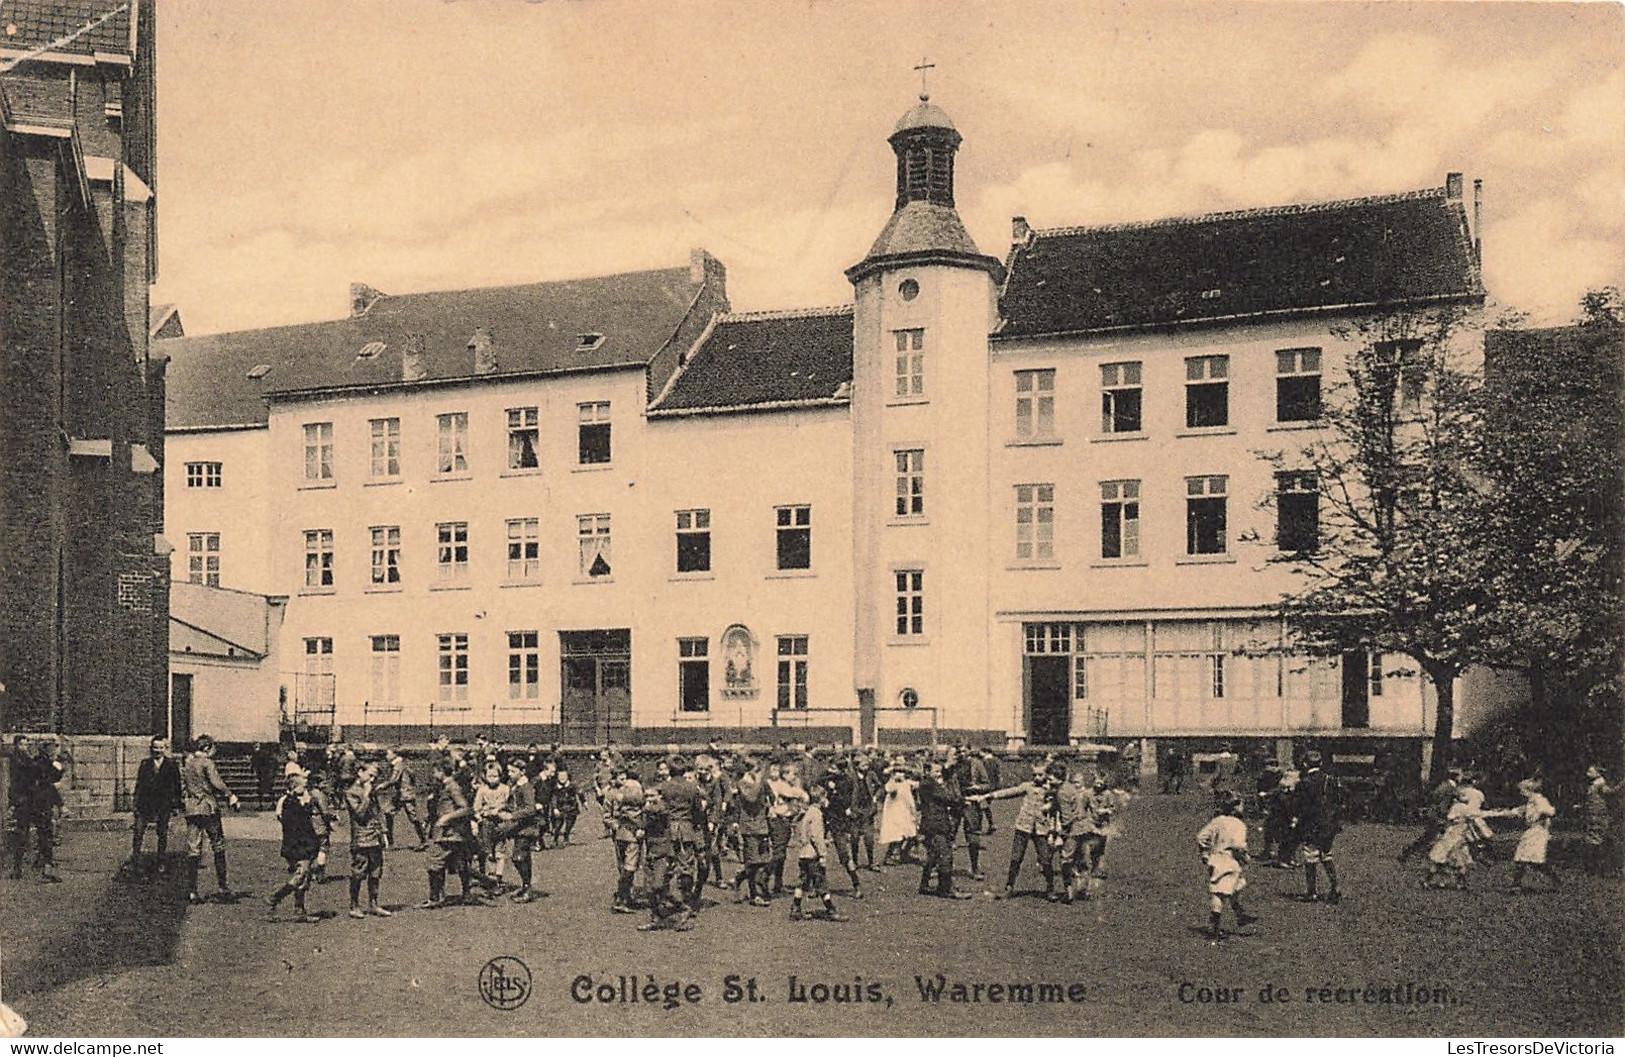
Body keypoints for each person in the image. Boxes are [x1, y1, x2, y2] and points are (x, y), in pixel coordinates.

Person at [983, 761, 1064, 900]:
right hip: (1023, 826)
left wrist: (1054, 830)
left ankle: (1050, 888)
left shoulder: (1052, 790)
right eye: (1034, 774)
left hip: (1041, 829)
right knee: (1016, 858)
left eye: (1040, 774)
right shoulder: (1027, 787)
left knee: (1045, 860)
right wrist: (992, 795)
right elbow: (1011, 791)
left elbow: (1058, 810)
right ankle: (1009, 887)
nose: (1037, 777)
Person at [180, 734, 240, 904]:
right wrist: (230, 795)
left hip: (192, 809)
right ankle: (222, 887)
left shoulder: (188, 763)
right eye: (213, 748)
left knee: (194, 849)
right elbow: (216, 782)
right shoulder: (207, 762)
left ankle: (192, 891)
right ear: (207, 748)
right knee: (218, 845)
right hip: (208, 807)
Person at [1195, 793, 1259, 940]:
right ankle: (1217, 923)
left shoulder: (1217, 821)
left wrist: (1206, 851)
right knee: (1227, 890)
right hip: (1231, 860)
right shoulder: (1239, 824)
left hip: (1216, 859)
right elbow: (1238, 845)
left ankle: (1239, 915)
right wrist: (1245, 856)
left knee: (1224, 889)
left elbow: (1201, 837)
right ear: (1235, 807)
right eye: (1241, 805)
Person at [420, 757, 480, 909]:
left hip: (448, 833)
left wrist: (447, 817)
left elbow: (466, 808)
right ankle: (467, 893)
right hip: (450, 832)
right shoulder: (443, 786)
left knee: (434, 862)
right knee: (460, 863)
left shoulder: (452, 786)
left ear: (441, 772)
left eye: (435, 772)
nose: (433, 775)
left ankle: (435, 897)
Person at [266, 770, 324, 923]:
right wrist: (306, 807)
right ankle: (275, 897)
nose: (305, 789)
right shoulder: (290, 803)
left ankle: (300, 910)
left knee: (305, 878)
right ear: (294, 788)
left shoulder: (295, 802)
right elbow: (296, 826)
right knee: (301, 875)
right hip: (297, 846)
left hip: (301, 845)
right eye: (302, 787)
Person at [789, 783, 849, 922]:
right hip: (813, 855)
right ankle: (831, 910)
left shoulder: (807, 813)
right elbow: (816, 837)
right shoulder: (816, 814)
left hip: (803, 853)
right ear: (821, 799)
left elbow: (804, 835)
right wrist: (822, 854)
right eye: (825, 797)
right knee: (821, 882)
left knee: (803, 882)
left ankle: (795, 908)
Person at [916, 751, 971, 899]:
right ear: (927, 771)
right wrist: (962, 800)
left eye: (939, 772)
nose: (938, 775)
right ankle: (946, 889)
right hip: (936, 825)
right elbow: (947, 798)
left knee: (933, 856)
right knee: (945, 856)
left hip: (933, 824)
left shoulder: (928, 783)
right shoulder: (928, 784)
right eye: (935, 772)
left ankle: (924, 885)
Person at [7, 735, 61, 883]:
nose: (25, 747)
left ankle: (22, 868)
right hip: (34, 803)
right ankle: (42, 869)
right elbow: (53, 778)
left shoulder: (32, 762)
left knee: (27, 834)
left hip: (29, 802)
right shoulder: (30, 762)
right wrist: (56, 764)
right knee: (41, 834)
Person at [1291, 750, 1342, 904]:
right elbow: (1338, 800)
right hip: (1329, 823)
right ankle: (1335, 887)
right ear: (1320, 763)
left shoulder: (1303, 783)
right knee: (1326, 853)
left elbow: (1300, 806)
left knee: (1310, 855)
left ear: (1305, 764)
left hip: (1311, 823)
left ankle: (1312, 891)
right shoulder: (1330, 779)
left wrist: (1296, 821)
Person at [343, 762, 392, 919]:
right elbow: (359, 814)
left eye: (374, 777)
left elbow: (378, 812)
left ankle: (374, 904)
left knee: (376, 872)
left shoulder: (372, 792)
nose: (372, 779)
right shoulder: (351, 792)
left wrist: (384, 833)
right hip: (361, 838)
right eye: (370, 775)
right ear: (359, 772)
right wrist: (366, 794)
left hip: (375, 837)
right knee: (358, 872)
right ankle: (354, 905)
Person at [1494, 778, 1559, 891]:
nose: (1520, 793)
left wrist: (1540, 815)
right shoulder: (1529, 802)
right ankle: (1516, 885)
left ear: (1529, 790)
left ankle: (1555, 880)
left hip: (1538, 832)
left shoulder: (1539, 800)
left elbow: (1550, 811)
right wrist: (1501, 812)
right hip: (1531, 831)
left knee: (1532, 860)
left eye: (1522, 790)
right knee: (1523, 859)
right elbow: (1518, 811)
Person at [130, 736, 181, 876]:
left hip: (163, 804)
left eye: (160, 748)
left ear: (165, 749)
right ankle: (135, 860)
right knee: (138, 831)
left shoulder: (172, 764)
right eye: (155, 747)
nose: (157, 750)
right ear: (151, 748)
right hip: (145, 804)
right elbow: (139, 784)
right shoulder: (145, 763)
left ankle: (161, 861)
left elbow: (177, 786)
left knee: (162, 832)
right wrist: (135, 803)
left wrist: (176, 805)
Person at [1423, 787, 1487, 890]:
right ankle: (1430, 881)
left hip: (1456, 838)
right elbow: (1474, 815)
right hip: (1453, 838)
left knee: (1454, 861)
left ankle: (1459, 883)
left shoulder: (1457, 807)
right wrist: (1496, 813)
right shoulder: (1460, 807)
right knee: (1448, 860)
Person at [501, 758, 545, 902]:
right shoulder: (515, 786)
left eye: (513, 771)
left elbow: (530, 809)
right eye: (508, 771)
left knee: (518, 857)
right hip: (520, 828)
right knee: (523, 857)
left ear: (522, 772)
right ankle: (526, 886)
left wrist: (512, 815)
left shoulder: (526, 787)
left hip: (528, 827)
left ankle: (527, 888)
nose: (510, 774)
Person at [1398, 768, 1461, 864]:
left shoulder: (1444, 786)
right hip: (1440, 815)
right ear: (1456, 776)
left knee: (1432, 837)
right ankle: (1410, 853)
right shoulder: (1451, 788)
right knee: (1432, 837)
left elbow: (1434, 797)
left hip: (1435, 814)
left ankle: (1410, 853)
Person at [606, 762, 644, 913]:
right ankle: (622, 898)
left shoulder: (625, 791)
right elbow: (607, 815)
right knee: (628, 866)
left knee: (627, 866)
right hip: (626, 834)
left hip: (623, 832)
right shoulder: (619, 793)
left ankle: (625, 896)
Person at [472, 760, 513, 893]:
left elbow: (510, 805)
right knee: (488, 852)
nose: (492, 779)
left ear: (500, 776)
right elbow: (476, 808)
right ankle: (490, 879)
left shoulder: (505, 789)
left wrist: (501, 809)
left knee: (500, 852)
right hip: (487, 824)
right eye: (490, 776)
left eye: (495, 776)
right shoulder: (482, 790)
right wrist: (482, 814)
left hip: (501, 824)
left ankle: (498, 878)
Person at [379, 748, 427, 851]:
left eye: (388, 754)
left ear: (395, 754)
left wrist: (382, 785)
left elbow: (394, 779)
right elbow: (412, 775)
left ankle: (424, 840)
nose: (386, 756)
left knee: (413, 818)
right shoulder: (404, 763)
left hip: (404, 795)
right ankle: (390, 843)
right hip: (402, 794)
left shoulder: (398, 765)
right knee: (388, 812)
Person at [955, 747, 991, 882]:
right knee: (947, 834)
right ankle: (939, 867)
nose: (962, 754)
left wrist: (977, 788)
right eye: (959, 751)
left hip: (972, 803)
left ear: (970, 750)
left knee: (973, 836)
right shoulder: (953, 764)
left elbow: (987, 784)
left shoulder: (977, 764)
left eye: (964, 751)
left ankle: (975, 868)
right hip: (955, 803)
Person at [879, 762, 918, 865]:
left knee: (911, 835)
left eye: (902, 772)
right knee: (897, 837)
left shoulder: (907, 783)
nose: (900, 774)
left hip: (906, 813)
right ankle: (890, 856)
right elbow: (888, 788)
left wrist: (913, 811)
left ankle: (904, 853)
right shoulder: (892, 784)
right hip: (895, 814)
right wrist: (891, 776)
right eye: (897, 772)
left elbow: (913, 790)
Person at [1580, 765, 1616, 876]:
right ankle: (1594, 868)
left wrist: (1619, 787)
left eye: (1590, 771)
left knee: (1595, 839)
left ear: (1598, 773)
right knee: (1593, 839)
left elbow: (1609, 792)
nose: (1587, 773)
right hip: (1593, 814)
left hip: (1598, 815)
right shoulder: (1595, 784)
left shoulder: (1600, 783)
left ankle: (1595, 868)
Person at [551, 767, 586, 846]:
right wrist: (555, 808)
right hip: (560, 807)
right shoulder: (556, 788)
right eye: (560, 776)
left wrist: (584, 801)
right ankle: (555, 839)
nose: (562, 778)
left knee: (570, 823)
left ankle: (566, 837)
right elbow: (554, 798)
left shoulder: (572, 786)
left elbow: (580, 793)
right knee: (558, 825)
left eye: (564, 776)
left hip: (571, 807)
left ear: (568, 776)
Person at [250, 741, 278, 809]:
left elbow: (269, 764)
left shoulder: (263, 754)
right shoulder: (257, 754)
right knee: (264, 789)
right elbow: (254, 763)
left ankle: (268, 804)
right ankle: (267, 804)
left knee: (265, 789)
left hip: (265, 774)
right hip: (262, 774)